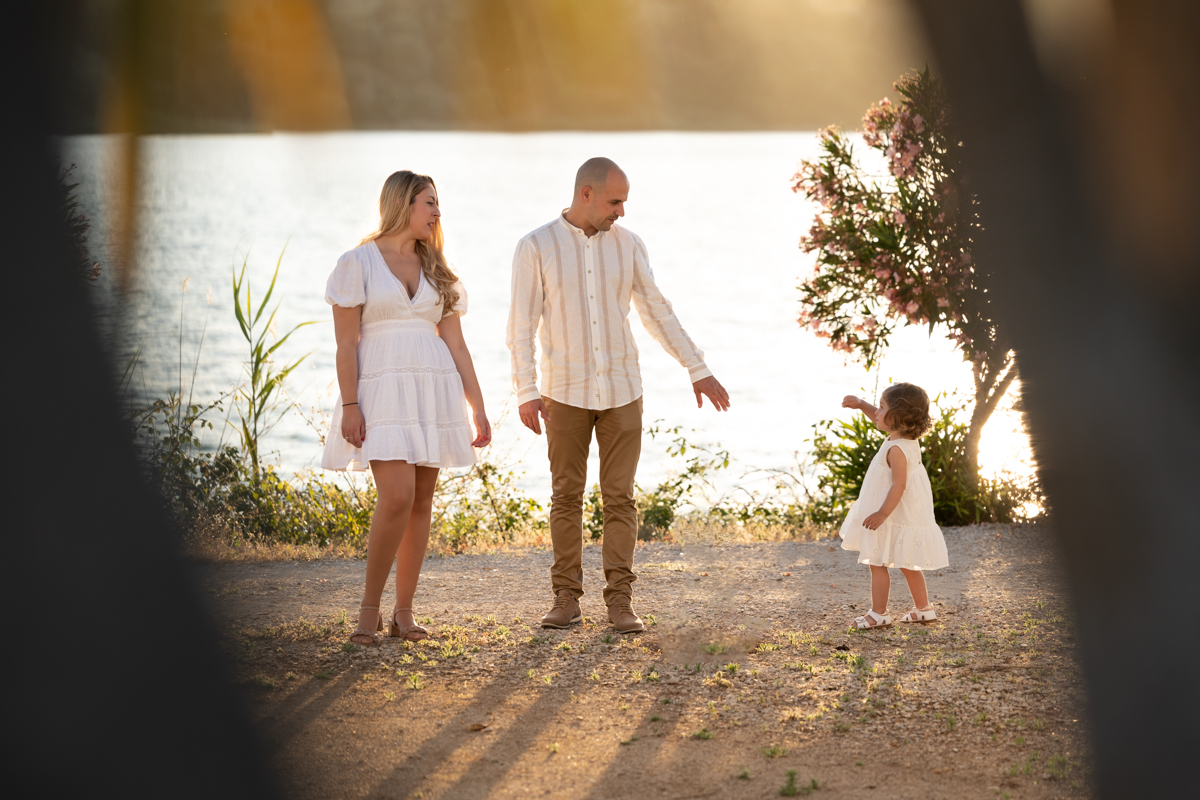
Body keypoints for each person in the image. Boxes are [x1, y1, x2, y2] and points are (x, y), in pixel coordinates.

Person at [506, 156, 730, 634]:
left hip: (623, 390)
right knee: (566, 496)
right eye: (615, 201)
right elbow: (520, 326)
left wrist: (696, 367)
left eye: (623, 202)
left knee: (621, 499)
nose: (621, 211)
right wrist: (526, 389)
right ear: (585, 193)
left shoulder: (629, 245)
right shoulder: (536, 246)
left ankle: (620, 601)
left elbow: (656, 311)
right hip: (563, 392)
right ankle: (566, 598)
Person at [322, 170, 491, 646]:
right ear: (403, 204)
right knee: (396, 496)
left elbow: (457, 346)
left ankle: (404, 613)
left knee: (420, 502)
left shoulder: (438, 268)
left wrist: (477, 407)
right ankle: (368, 611)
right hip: (381, 391)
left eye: (437, 203)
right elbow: (345, 344)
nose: (437, 211)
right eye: (429, 202)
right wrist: (350, 405)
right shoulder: (357, 263)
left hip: (433, 390)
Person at [838, 383, 948, 628]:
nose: (876, 412)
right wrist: (861, 405)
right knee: (908, 563)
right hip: (903, 513)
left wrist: (881, 514)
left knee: (877, 562)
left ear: (897, 417)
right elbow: (881, 419)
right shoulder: (904, 439)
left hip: (890, 512)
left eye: (881, 407)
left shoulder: (897, 449)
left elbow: (899, 485)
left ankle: (879, 614)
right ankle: (924, 609)